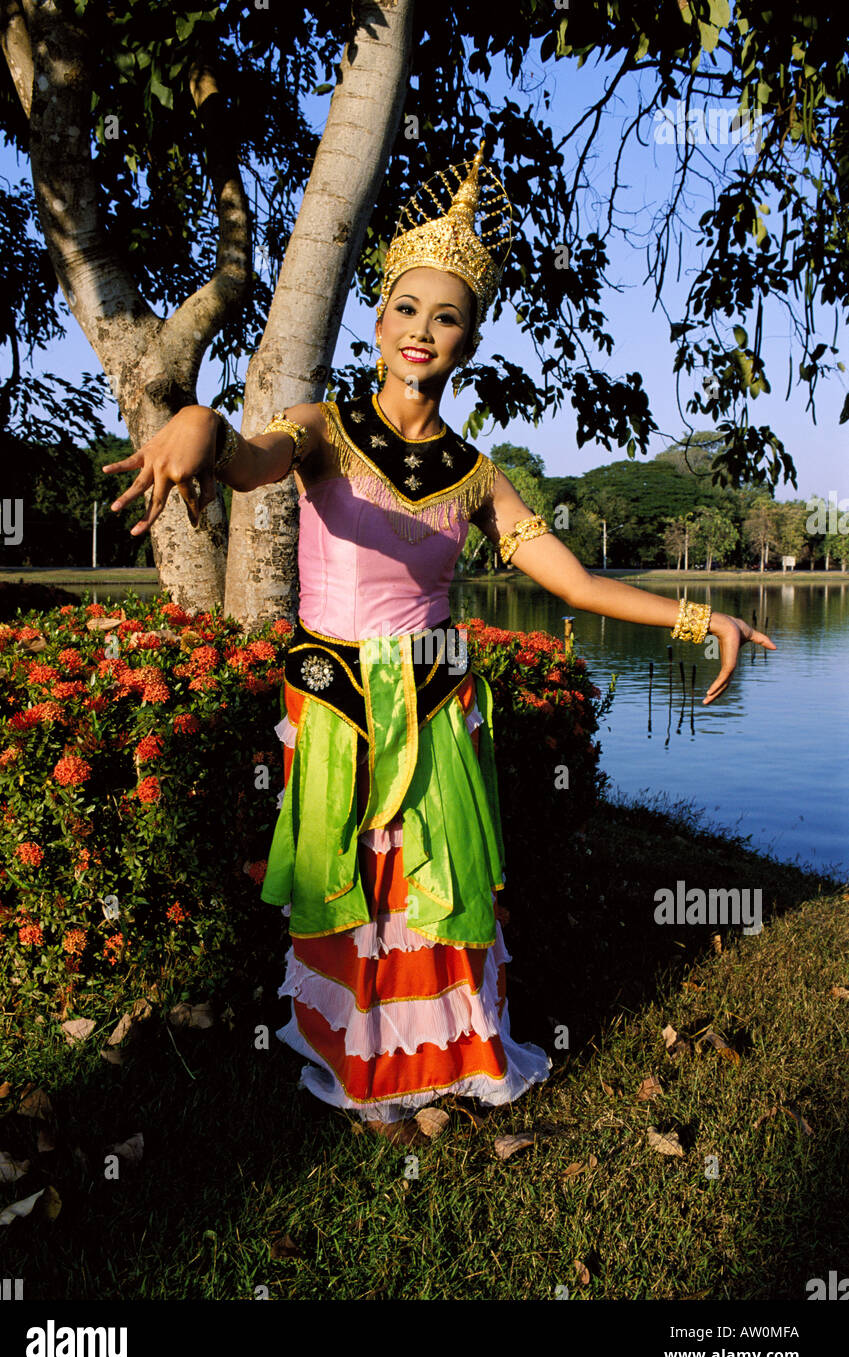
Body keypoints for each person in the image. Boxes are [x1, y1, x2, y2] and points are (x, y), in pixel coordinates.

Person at [103, 144, 776, 1138]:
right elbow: (250, 461)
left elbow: (576, 582)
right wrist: (199, 423)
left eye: (447, 315)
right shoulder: (322, 427)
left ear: (469, 339)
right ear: (378, 322)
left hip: (433, 697)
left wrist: (697, 616)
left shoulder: (475, 473)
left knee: (435, 886)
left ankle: (443, 1055)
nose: (423, 329)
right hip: (335, 697)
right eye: (407, 309)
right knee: (354, 873)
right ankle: (354, 1055)